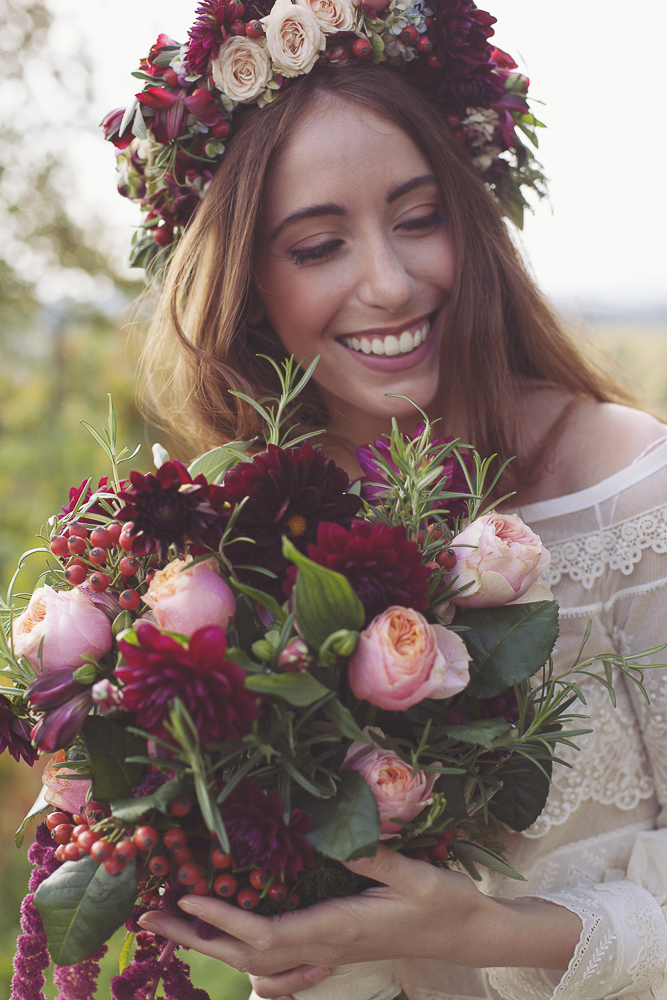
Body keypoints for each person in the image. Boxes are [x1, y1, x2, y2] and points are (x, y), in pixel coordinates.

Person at [103, 3, 667, 998]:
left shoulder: (630, 488)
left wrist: (485, 932)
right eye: (319, 244)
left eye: (417, 219)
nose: (391, 283)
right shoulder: (239, 554)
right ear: (246, 282)